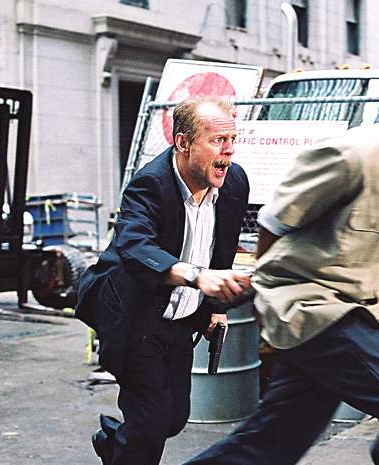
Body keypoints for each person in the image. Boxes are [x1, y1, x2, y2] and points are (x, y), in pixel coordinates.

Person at [183, 62, 379, 465]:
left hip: (355, 315)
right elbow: (274, 222)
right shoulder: (354, 156)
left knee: (269, 446)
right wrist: (271, 302)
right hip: (311, 310)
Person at [75, 96, 251, 465]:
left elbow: (222, 249)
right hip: (137, 316)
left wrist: (216, 308)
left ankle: (115, 443)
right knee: (152, 424)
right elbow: (134, 247)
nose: (229, 151)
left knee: (173, 418)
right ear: (184, 142)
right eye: (218, 140)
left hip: (182, 318)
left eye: (232, 139)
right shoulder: (150, 184)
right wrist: (195, 277)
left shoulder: (234, 182)